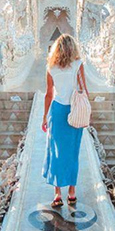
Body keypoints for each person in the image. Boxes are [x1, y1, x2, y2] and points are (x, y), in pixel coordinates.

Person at [42, 34, 88, 207]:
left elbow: (48, 94)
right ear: (72, 48)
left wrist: (44, 117)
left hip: (58, 111)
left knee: (56, 152)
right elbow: (84, 89)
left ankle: (57, 194)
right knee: (73, 152)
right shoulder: (78, 65)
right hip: (75, 110)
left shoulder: (51, 67)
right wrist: (87, 112)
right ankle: (72, 192)